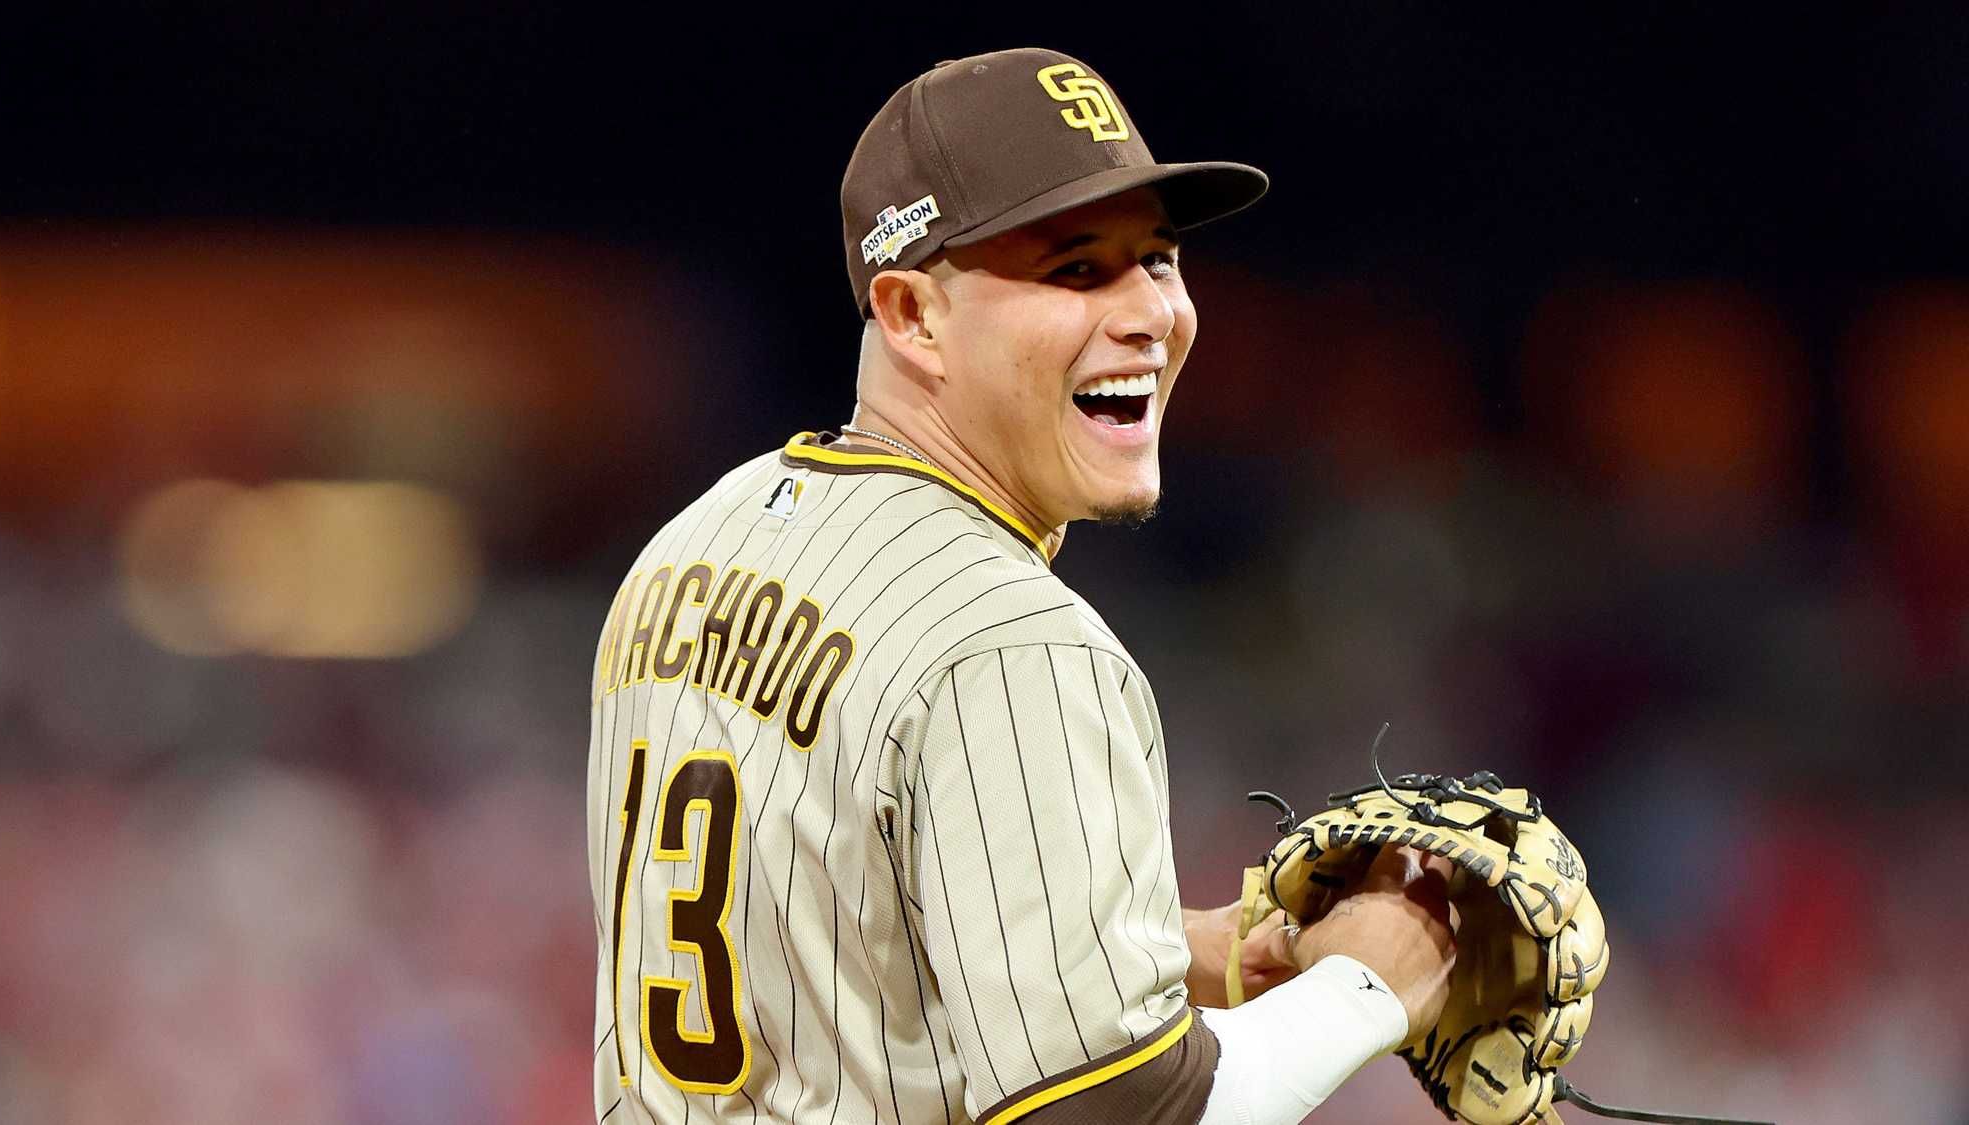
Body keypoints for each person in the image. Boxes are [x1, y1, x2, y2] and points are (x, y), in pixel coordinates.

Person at [586, 47, 1456, 1124]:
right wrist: (1373, 981)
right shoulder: (1011, 641)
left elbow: (837, 935)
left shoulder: (692, 546)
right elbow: (1128, 1114)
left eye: (1158, 260)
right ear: (912, 315)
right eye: (1077, 270)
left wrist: (1181, 951)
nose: (1150, 313)